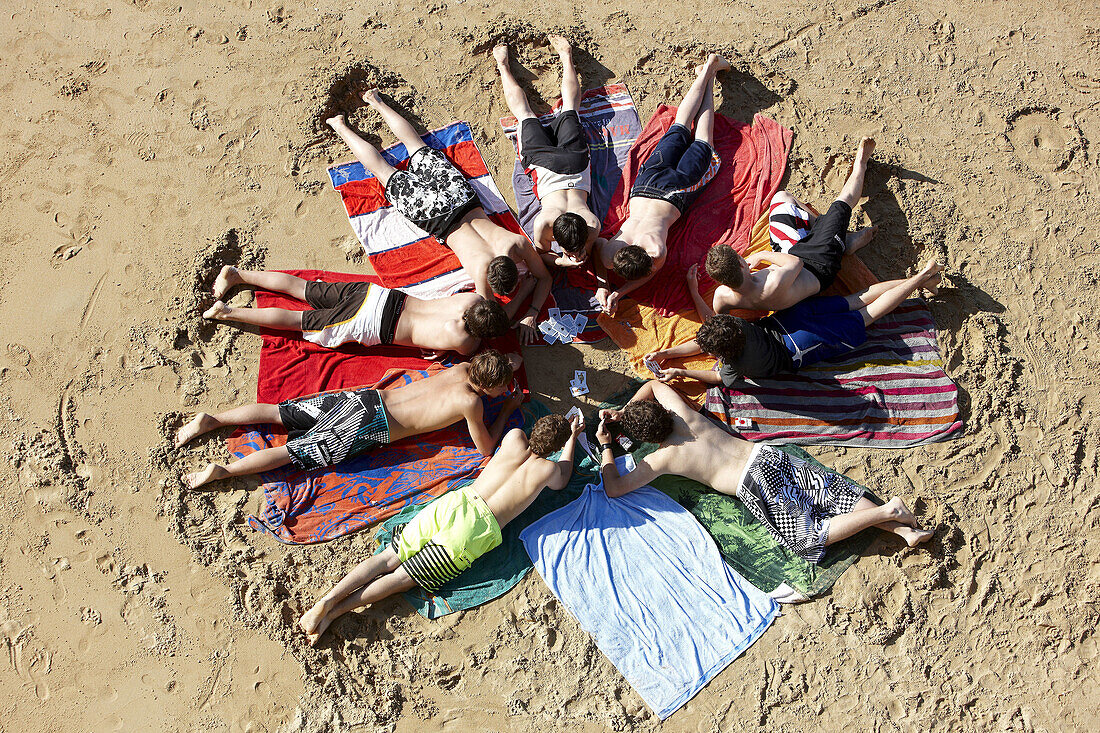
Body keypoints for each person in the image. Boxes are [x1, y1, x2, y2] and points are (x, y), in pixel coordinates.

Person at [298, 412, 584, 644]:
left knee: (386, 558)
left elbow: (517, 440)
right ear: (555, 449)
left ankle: (327, 599)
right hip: (475, 529)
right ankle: (334, 613)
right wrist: (573, 437)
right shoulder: (547, 469)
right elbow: (564, 475)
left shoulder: (514, 438)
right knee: (402, 578)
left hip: (455, 503)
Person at [595, 380, 933, 562]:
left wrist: (607, 445)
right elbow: (653, 385)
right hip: (766, 455)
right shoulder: (684, 413)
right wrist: (624, 412)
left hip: (753, 483)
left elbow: (614, 487)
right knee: (833, 497)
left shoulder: (663, 458)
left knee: (807, 540)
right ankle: (903, 530)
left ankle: (888, 510)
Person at [326, 89, 552, 343]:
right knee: (382, 170)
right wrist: (528, 302)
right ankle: (340, 126)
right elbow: (497, 318)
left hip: (460, 198)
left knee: (416, 146)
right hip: (432, 216)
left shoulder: (516, 243)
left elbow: (542, 277)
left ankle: (376, 101)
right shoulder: (481, 273)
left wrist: (529, 285)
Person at [175, 350, 525, 488]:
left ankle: (214, 419)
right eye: (503, 385)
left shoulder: (463, 368)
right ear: (490, 386)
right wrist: (507, 409)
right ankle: (226, 471)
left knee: (276, 412)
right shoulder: (471, 404)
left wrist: (506, 368)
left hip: (367, 398)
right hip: (371, 426)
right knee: (291, 453)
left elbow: (501, 362)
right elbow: (485, 448)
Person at [648, 260, 943, 386]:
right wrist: (669, 354)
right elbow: (707, 331)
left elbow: (715, 377)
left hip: (799, 345)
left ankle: (919, 280)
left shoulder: (733, 364)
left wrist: (679, 370)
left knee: (867, 316)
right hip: (792, 318)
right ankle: (922, 278)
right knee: (857, 299)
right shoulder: (737, 326)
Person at [594, 53, 729, 316]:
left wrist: (620, 292)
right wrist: (603, 284)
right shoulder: (612, 251)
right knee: (679, 127)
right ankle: (704, 73)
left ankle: (710, 77)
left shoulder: (656, 251)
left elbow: (647, 275)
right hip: (645, 186)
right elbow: (599, 245)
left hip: (675, 192)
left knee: (703, 142)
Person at [691, 137, 880, 315]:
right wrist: (760, 255)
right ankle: (861, 164)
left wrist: (694, 291)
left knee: (782, 198)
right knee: (842, 203)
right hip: (818, 265)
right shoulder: (772, 283)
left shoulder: (722, 297)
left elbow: (714, 322)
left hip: (792, 257)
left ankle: (839, 238)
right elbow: (797, 263)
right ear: (741, 264)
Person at [202, 265, 529, 356]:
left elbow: (490, 304)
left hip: (380, 297)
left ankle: (239, 275)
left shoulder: (470, 301)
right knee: (295, 320)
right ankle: (227, 313)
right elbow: (479, 353)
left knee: (302, 289)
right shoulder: (464, 342)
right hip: (369, 322)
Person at [493, 37, 601, 268]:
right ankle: (503, 65)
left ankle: (565, 55)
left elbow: (542, 253)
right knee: (525, 115)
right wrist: (566, 262)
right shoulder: (549, 223)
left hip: (575, 163)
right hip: (543, 164)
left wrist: (565, 258)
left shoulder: (590, 223)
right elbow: (542, 256)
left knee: (570, 108)